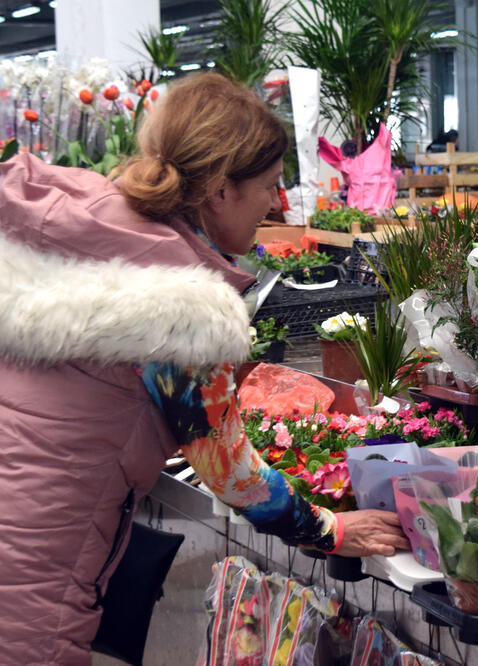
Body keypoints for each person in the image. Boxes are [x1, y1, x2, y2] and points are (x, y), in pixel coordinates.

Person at [0, 72, 408, 664]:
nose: (278, 202)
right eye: (270, 185)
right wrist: (331, 530)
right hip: (36, 569)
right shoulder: (180, 304)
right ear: (220, 190)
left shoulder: (82, 224)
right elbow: (232, 474)